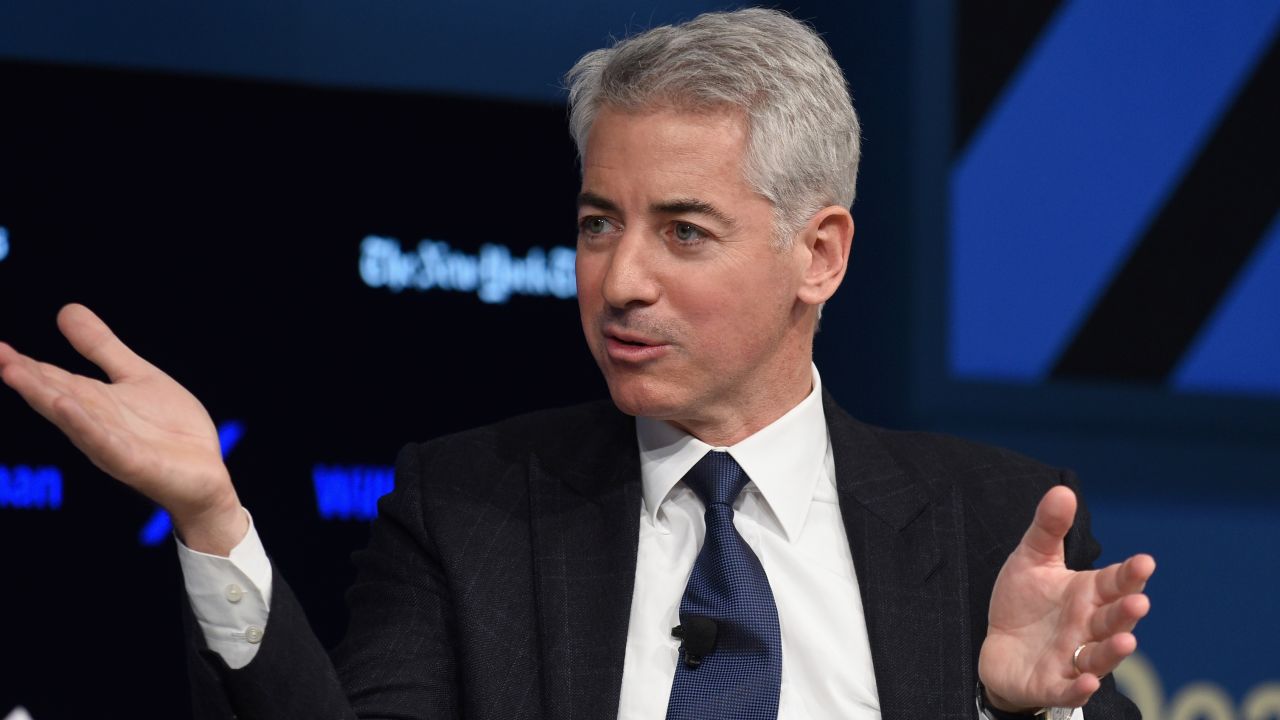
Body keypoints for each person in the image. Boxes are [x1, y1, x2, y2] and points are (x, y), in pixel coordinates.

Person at [0, 8, 1153, 720]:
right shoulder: (467, 510)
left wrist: (1014, 718)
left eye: (682, 231)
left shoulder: (991, 522)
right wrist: (212, 518)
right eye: (598, 222)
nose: (620, 279)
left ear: (820, 253)